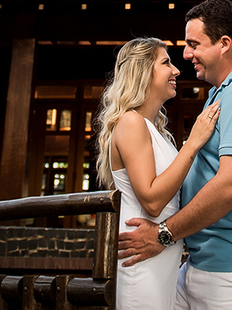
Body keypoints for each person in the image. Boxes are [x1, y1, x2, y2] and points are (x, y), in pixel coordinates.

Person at [117, 0, 232, 310]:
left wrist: (164, 234)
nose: (185, 55)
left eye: (193, 44)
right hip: (200, 265)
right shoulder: (220, 93)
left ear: (224, 44)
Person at [95, 37, 222, 310]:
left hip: (161, 260)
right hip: (141, 262)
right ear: (143, 71)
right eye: (166, 63)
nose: (176, 70)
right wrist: (193, 143)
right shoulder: (130, 122)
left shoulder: (156, 131)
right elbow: (152, 201)